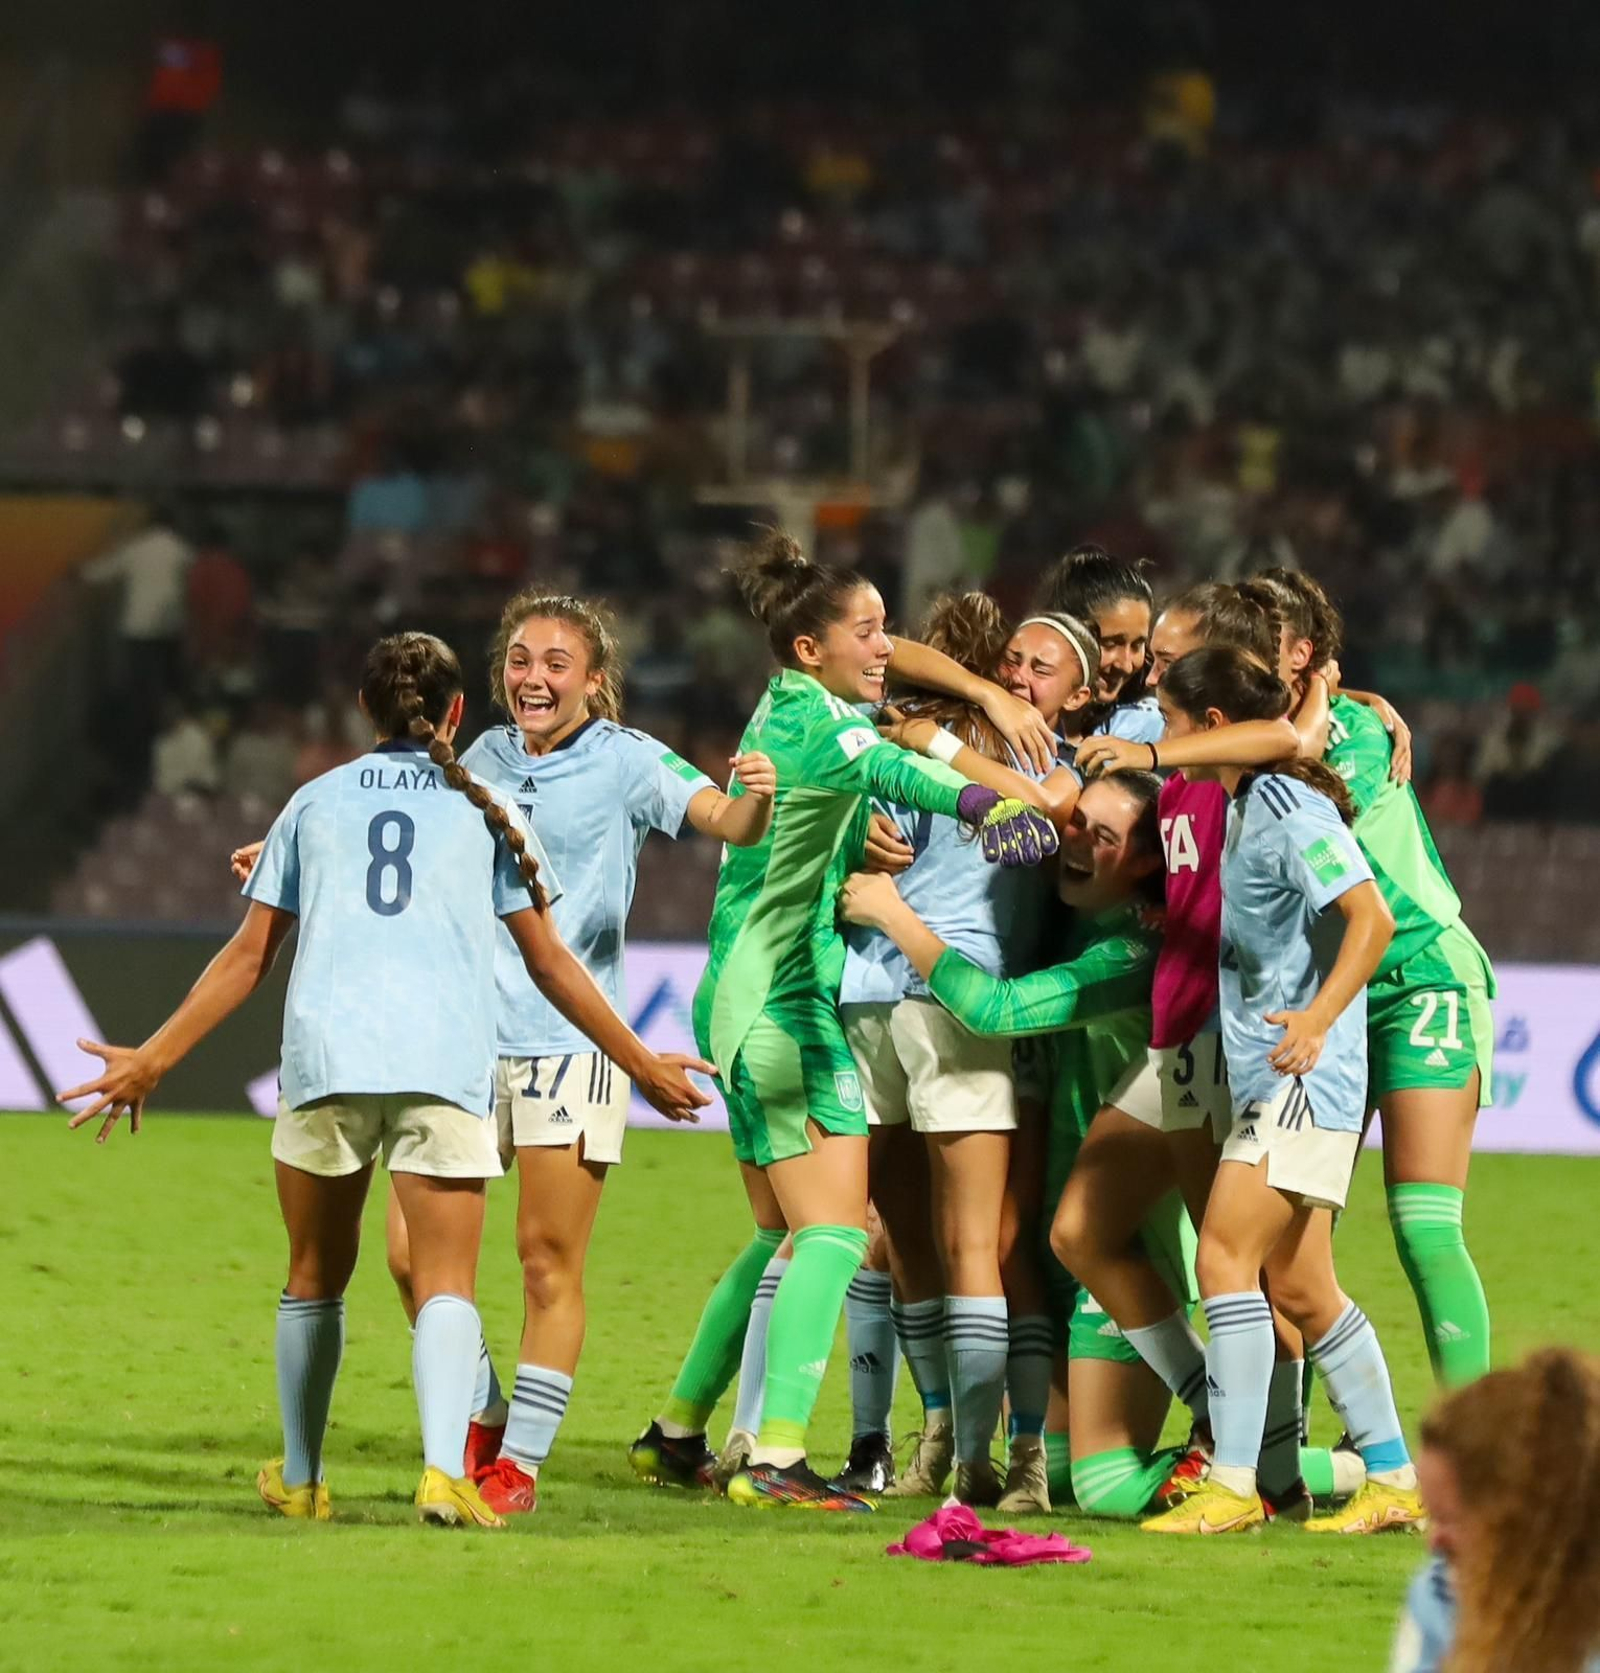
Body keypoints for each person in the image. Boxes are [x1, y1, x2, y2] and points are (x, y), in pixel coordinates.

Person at [63, 631, 709, 1531]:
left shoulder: (312, 804)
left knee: (313, 1276)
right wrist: (640, 1062)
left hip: (329, 1058)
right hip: (445, 1064)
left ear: (363, 710)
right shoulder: (484, 810)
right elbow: (556, 966)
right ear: (455, 713)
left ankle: (300, 1474)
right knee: (445, 1277)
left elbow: (247, 958)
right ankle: (444, 1475)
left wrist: (152, 1059)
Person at [629, 532, 1058, 1512]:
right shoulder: (830, 728)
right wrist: (997, 805)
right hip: (780, 1001)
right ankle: (779, 1455)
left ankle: (680, 1426)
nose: (884, 648)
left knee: (779, 1225)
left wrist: (838, 840)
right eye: (865, 633)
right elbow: (915, 777)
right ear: (811, 647)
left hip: (740, 990)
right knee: (833, 1227)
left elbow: (866, 737)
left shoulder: (787, 702)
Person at [443, 592, 778, 1517]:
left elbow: (726, 821)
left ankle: (517, 1467)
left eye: (556, 662)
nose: (534, 677)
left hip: (572, 1040)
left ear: (596, 680)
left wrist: (759, 795)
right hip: (468, 1038)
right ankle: (481, 1416)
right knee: (409, 1255)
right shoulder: (479, 760)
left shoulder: (630, 760)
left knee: (546, 1261)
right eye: (519, 658)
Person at [841, 771, 1198, 1521]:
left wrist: (894, 913)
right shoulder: (1066, 916)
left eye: (1102, 836)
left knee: (1104, 1486)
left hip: (1123, 1252)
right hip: (1054, 1251)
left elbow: (992, 1010)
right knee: (1062, 1478)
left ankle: (1284, 1452)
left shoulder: (1131, 950)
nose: (1074, 843)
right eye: (1075, 825)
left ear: (1145, 861)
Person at [1138, 648, 1421, 1535]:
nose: (1165, 737)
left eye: (1174, 721)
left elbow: (1370, 917)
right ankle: (1393, 1477)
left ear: (1212, 725)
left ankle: (1230, 1482)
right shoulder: (1245, 799)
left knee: (1222, 1256)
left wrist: (1318, 1018)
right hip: (1277, 1072)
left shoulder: (1288, 804)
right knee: (1303, 1289)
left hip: (1302, 1073)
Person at [838, 593, 1079, 1509]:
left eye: (1036, 669)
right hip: (942, 997)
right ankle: (973, 1451)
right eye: (1011, 663)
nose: (1019, 680)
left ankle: (940, 1439)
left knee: (916, 1243)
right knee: (962, 1243)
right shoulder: (1037, 758)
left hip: (879, 989)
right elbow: (1041, 825)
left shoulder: (889, 742)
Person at [1262, 569, 1497, 1391]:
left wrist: (1336, 692)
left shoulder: (1356, 732)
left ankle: (1478, 1466)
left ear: (1301, 654)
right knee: (1282, 1241)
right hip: (1331, 994)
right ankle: (1297, 1461)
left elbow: (1310, 792)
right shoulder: (1263, 735)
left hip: (1419, 972)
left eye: (1259, 640)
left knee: (1424, 1226)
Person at [1393, 1348, 1600, 1673]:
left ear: (1527, 1513)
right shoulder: (1438, 1597)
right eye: (1433, 1517)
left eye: (1451, 1519)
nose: (1434, 1542)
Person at [1034, 544, 1164, 763]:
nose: (1125, 664)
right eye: (1111, 643)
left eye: (1137, 645)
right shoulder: (1013, 713)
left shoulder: (1144, 724)